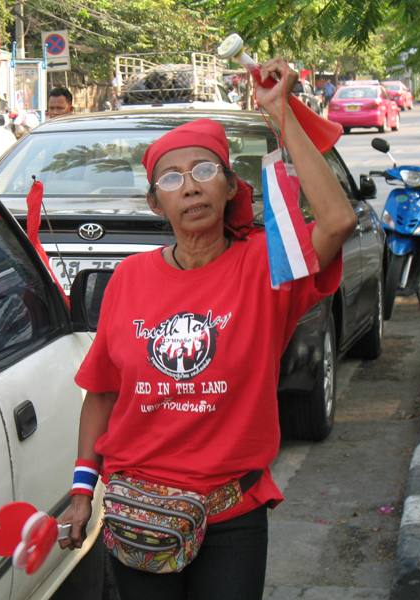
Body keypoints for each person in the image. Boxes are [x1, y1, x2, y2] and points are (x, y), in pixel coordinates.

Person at [59, 57, 356, 599]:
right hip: (139, 513)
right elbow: (101, 395)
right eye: (172, 178)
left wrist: (281, 113)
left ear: (228, 187)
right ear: (156, 203)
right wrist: (83, 490)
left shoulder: (268, 267)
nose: (190, 187)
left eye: (204, 172)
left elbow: (337, 222)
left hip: (231, 515)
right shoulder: (129, 279)